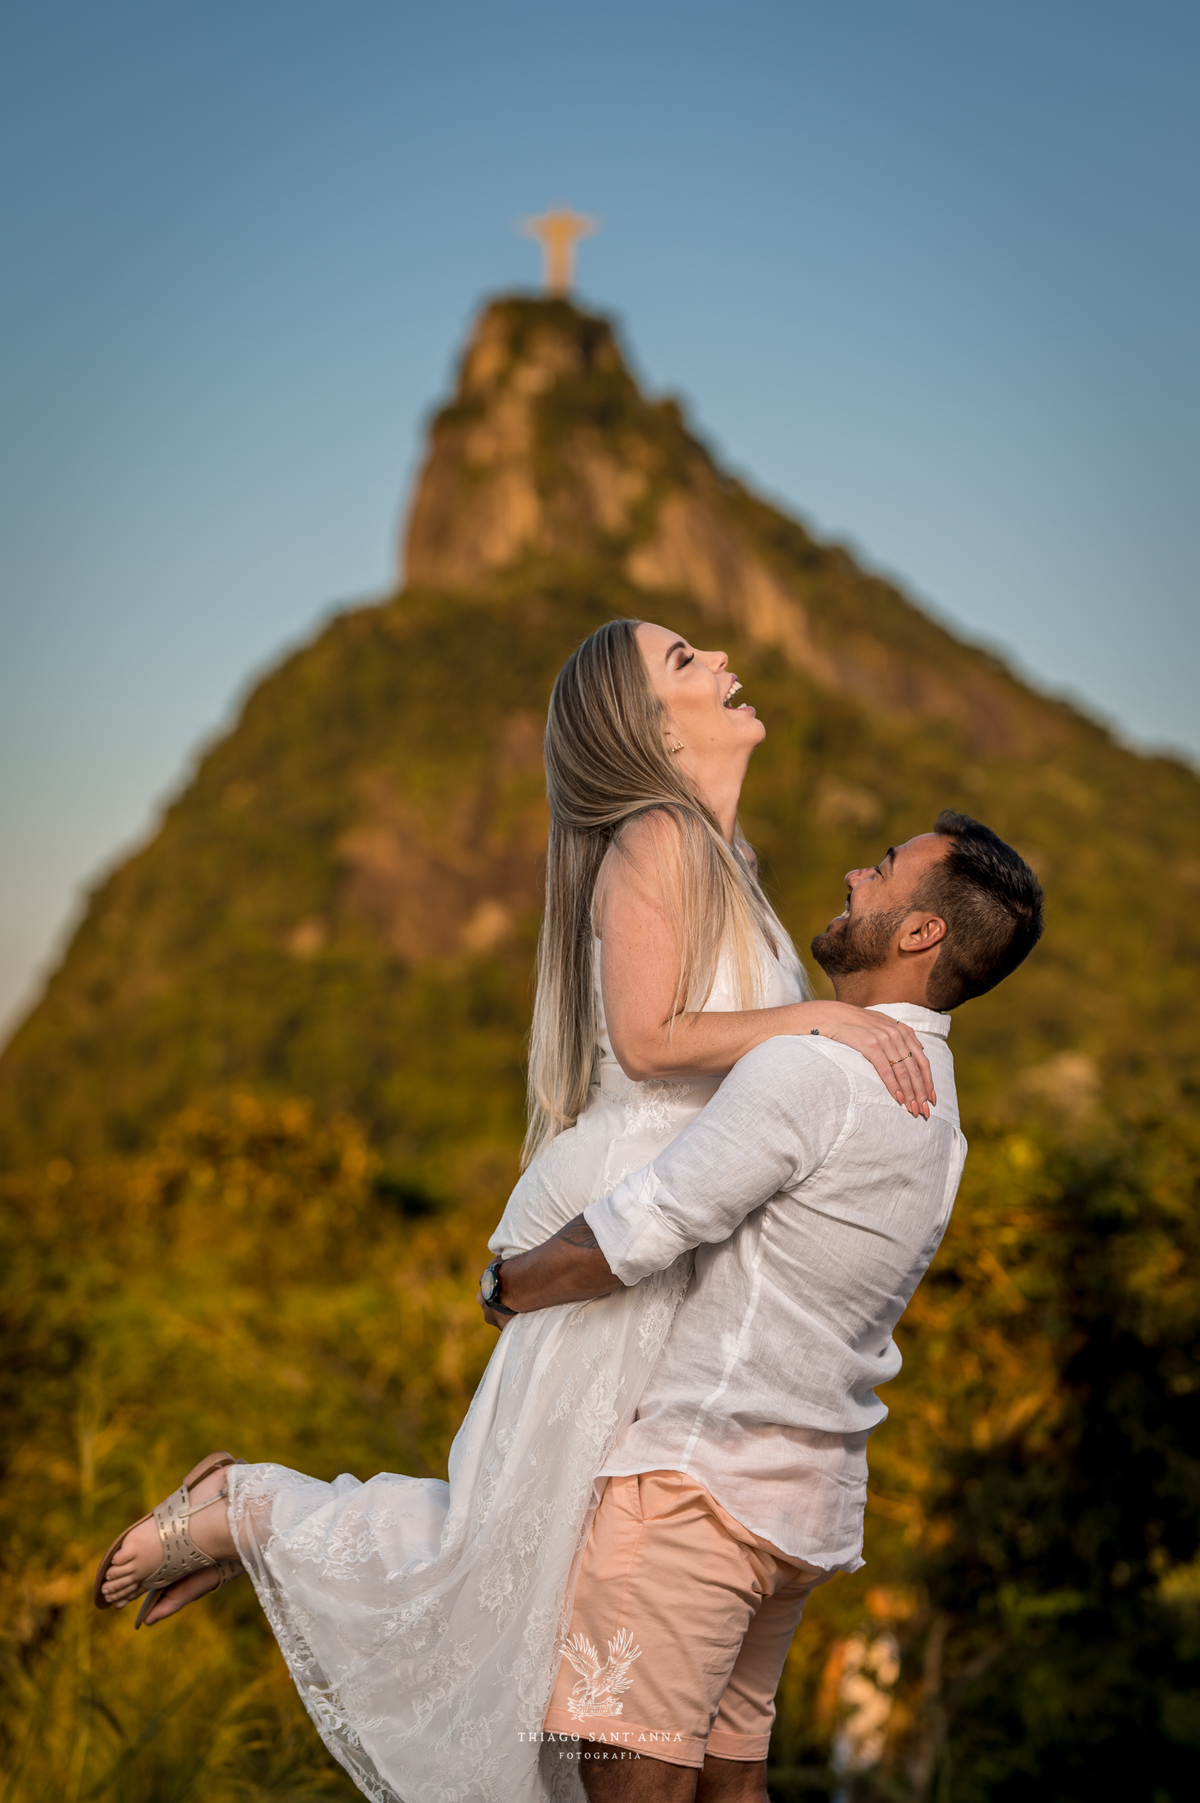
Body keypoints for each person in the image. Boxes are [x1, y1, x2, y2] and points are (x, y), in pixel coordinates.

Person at [93, 619, 935, 1803]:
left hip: (683, 1238)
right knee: (497, 1553)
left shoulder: (726, 856)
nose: (721, 661)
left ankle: (255, 1522)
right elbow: (649, 1045)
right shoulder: (658, 836)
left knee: (560, 1579)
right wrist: (826, 1021)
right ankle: (245, 1510)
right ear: (645, 724)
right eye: (685, 660)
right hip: (628, 1223)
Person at [484, 811, 1044, 1801]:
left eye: (883, 870)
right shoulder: (940, 1113)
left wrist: (509, 1285)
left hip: (690, 1502)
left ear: (922, 933)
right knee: (733, 1789)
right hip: (795, 1513)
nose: (853, 874)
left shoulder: (815, 1071)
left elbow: (640, 1230)